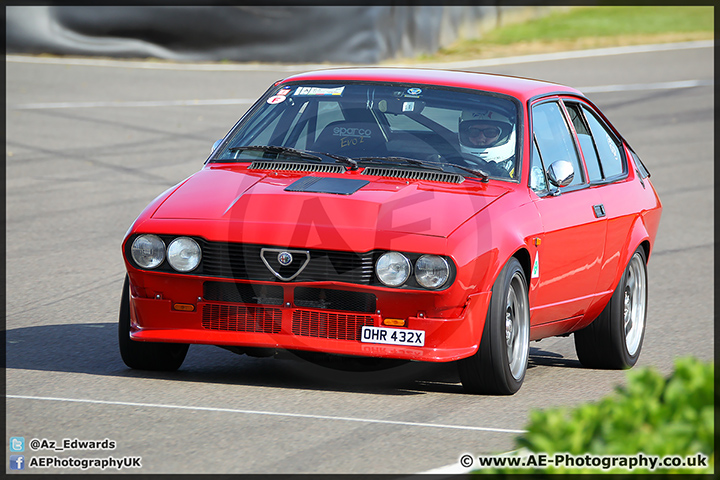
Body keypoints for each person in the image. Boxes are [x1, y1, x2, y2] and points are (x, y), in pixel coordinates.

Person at [458, 107, 516, 176]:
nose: (481, 139)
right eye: (474, 132)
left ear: (503, 135)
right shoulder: (451, 164)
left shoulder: (522, 171)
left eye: (490, 133)